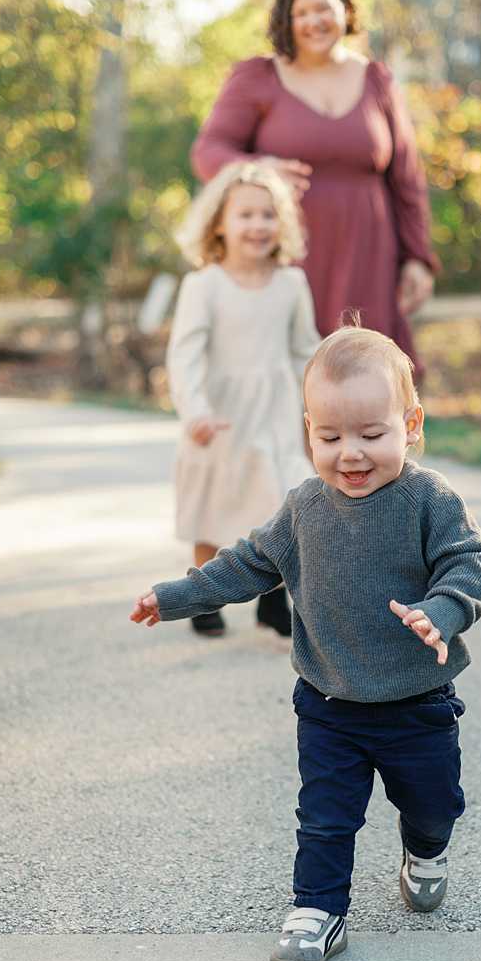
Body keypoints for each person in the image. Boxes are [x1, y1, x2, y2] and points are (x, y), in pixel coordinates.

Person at [131, 323, 481, 961]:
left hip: (417, 702)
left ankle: (426, 847)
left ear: (410, 424)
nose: (350, 454)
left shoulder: (429, 500)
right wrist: (176, 596)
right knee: (325, 817)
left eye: (371, 434)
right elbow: (243, 565)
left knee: (434, 804)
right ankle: (317, 911)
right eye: (329, 437)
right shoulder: (304, 510)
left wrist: (441, 611)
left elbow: (467, 563)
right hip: (330, 703)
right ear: (309, 432)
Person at [191, 0, 439, 378]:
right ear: (286, 21)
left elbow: (407, 179)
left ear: (344, 9)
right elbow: (208, 152)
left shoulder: (377, 80)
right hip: (288, 252)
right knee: (293, 374)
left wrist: (418, 257)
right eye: (301, 13)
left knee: (365, 375)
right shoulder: (258, 77)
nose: (314, 21)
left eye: (323, 8)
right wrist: (258, 167)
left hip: (368, 251)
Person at [166, 160, 318, 639]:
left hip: (275, 413)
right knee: (214, 511)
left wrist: (328, 394)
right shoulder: (204, 285)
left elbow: (304, 349)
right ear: (219, 224)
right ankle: (203, 595)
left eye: (267, 215)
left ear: (283, 224)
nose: (257, 225)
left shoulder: (291, 283)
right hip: (219, 417)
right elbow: (184, 355)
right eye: (245, 215)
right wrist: (195, 411)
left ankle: (273, 602)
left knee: (278, 508)